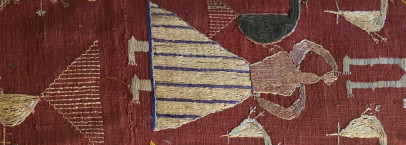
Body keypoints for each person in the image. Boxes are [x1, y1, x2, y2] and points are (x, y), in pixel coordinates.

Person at [128, 3, 338, 131]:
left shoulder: (294, 86)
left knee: (195, 91)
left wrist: (261, 100)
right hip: (239, 73)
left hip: (240, 85)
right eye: (315, 75)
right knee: (194, 61)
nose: (311, 77)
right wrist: (332, 63)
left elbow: (289, 112)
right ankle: (139, 48)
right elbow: (309, 45)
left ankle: (142, 82)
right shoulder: (292, 60)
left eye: (315, 78)